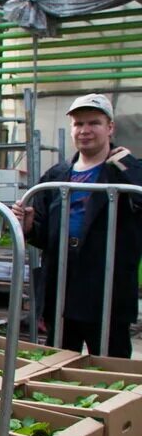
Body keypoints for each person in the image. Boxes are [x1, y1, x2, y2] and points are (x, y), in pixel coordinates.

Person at [11, 93, 142, 358]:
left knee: (111, 364)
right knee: (58, 361)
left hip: (106, 288)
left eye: (93, 123)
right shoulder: (57, 175)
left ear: (110, 128)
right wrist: (28, 228)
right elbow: (46, 234)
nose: (84, 130)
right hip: (63, 284)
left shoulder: (125, 172)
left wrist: (130, 166)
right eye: (78, 124)